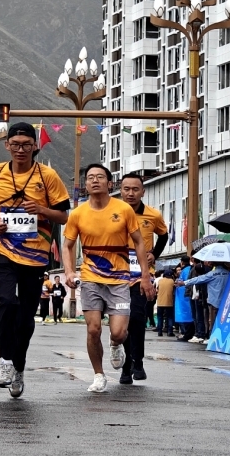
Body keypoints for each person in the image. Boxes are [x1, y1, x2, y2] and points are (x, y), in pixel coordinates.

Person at [0, 122, 70, 398]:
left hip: (35, 254)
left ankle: (19, 366)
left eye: (26, 145)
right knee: (6, 302)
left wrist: (41, 209)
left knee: (26, 317)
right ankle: (5, 361)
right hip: (2, 249)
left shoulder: (48, 176)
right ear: (7, 145)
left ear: (35, 146)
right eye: (15, 144)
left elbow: (64, 215)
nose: (20, 149)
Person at [63, 163, 155, 393]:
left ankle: (115, 344)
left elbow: (139, 242)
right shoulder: (78, 213)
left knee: (119, 332)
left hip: (120, 280)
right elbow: (67, 245)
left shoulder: (123, 210)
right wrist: (69, 271)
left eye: (100, 177)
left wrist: (145, 276)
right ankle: (98, 375)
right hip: (91, 278)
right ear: (86, 184)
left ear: (109, 183)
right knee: (93, 329)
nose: (95, 180)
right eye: (90, 177)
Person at [118, 173, 169, 384]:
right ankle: (126, 366)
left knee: (137, 317)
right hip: (117, 272)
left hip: (142, 274)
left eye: (135, 189)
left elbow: (164, 235)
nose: (130, 193)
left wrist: (154, 254)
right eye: (126, 189)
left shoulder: (153, 215)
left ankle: (136, 361)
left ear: (143, 192)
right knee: (122, 320)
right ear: (120, 190)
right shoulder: (112, 211)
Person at [176, 258, 230, 336]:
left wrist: (184, 283)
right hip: (226, 301)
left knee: (212, 321)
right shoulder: (229, 273)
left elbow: (198, 279)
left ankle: (213, 337)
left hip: (213, 301)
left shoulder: (212, 274)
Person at [174, 256, 194, 342]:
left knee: (187, 315)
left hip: (185, 297)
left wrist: (178, 283)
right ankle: (187, 334)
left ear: (182, 262)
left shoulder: (186, 270)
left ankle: (187, 334)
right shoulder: (188, 269)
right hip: (185, 296)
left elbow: (186, 282)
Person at [155, 270, 175, 337]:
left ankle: (159, 332)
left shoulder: (160, 281)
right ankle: (170, 332)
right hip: (169, 302)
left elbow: (157, 289)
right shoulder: (172, 281)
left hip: (160, 302)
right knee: (169, 317)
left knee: (160, 317)